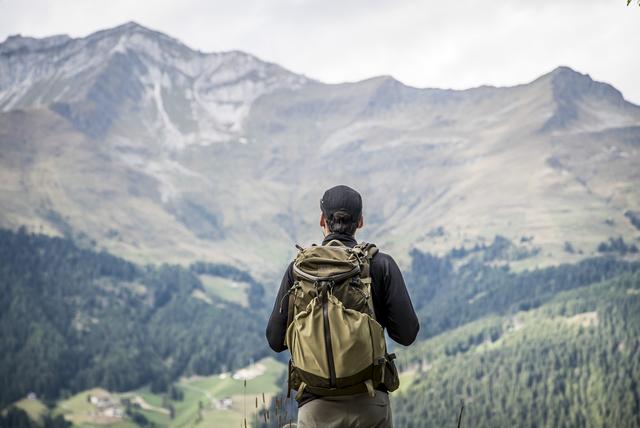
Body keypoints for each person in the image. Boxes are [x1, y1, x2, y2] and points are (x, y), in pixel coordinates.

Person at [266, 185, 420, 428]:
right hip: (370, 402)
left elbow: (275, 340)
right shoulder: (380, 265)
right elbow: (407, 334)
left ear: (321, 220)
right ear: (360, 221)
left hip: (315, 405)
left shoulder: (299, 269)